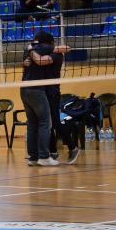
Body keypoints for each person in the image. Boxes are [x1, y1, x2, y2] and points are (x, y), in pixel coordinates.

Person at [20, 32, 69, 167]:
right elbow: (65, 48)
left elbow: (26, 63)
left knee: (32, 124)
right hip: (37, 90)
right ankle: (44, 156)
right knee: (45, 123)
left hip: (24, 89)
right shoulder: (44, 48)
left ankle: (33, 157)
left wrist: (30, 52)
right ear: (48, 42)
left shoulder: (29, 48)